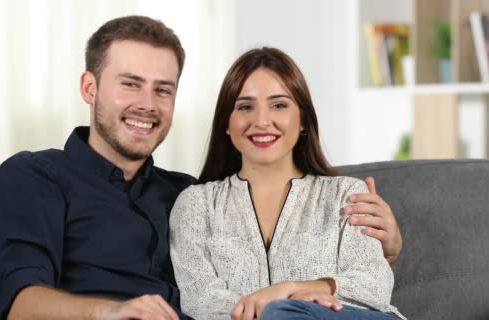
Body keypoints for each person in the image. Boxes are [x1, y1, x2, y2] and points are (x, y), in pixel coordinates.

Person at [0, 16, 402, 320]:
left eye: (162, 89)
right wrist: (111, 311)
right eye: (130, 84)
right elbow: (22, 304)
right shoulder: (36, 176)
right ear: (90, 88)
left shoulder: (183, 193)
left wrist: (387, 249)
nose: (147, 103)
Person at [169, 47, 405, 320]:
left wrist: (293, 289)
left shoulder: (346, 194)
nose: (261, 121)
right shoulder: (197, 204)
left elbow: (375, 283)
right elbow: (200, 299)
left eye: (279, 105)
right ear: (226, 123)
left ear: (303, 119)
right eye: (245, 107)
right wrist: (275, 309)